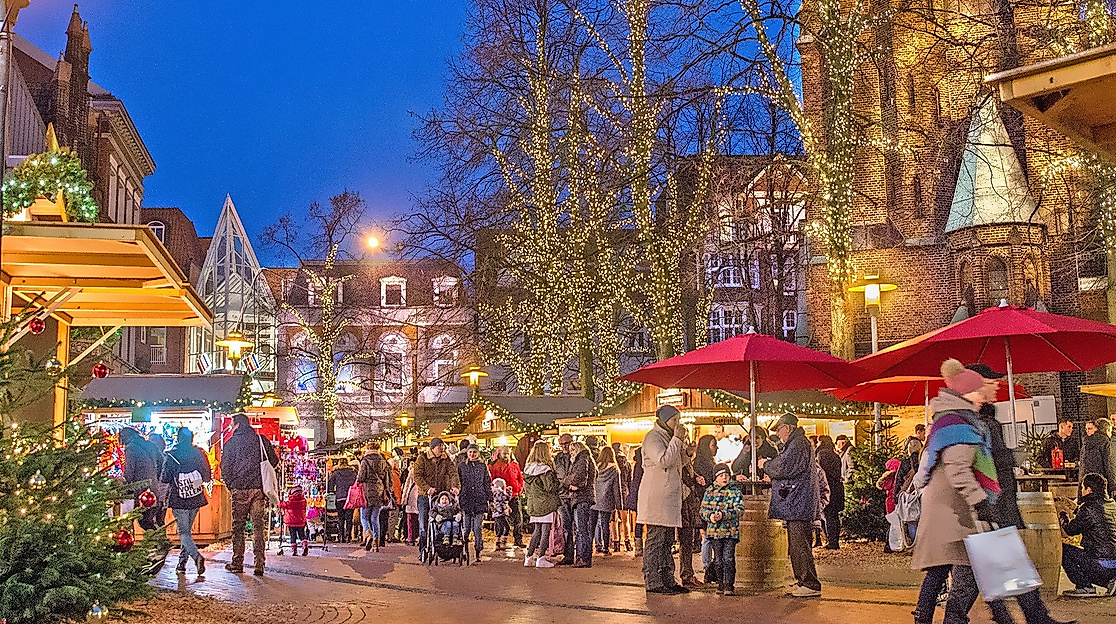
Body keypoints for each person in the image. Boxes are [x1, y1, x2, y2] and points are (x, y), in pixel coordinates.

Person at [966, 363, 1076, 624]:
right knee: (996, 567)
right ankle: (1029, 618)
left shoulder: (988, 420)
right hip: (991, 504)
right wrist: (986, 503)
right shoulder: (977, 424)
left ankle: (1030, 617)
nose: (996, 386)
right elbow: (981, 466)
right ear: (978, 385)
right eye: (991, 382)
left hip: (998, 502)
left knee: (1007, 564)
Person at [910, 359, 1001, 624]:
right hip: (952, 510)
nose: (982, 397)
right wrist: (981, 500)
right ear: (966, 394)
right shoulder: (958, 425)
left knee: (939, 571)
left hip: (947, 508)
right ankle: (951, 620)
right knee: (966, 571)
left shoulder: (951, 421)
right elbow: (958, 469)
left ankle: (926, 620)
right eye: (977, 391)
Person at [759, 413, 821, 598]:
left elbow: (785, 467)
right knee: (797, 544)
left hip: (798, 502)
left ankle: (809, 583)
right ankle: (804, 580)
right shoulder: (798, 443)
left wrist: (766, 465)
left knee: (799, 544)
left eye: (779, 429)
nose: (778, 434)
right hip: (797, 501)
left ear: (788, 428)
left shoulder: (798, 444)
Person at [638, 405, 689, 595]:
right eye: (674, 420)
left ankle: (668, 578)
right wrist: (677, 439)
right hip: (657, 497)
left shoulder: (668, 437)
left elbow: (676, 461)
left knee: (667, 541)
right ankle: (652, 580)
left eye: (679, 420)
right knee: (656, 540)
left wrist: (686, 452)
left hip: (669, 497)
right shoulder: (653, 437)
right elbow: (663, 460)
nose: (677, 424)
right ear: (665, 420)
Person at [220, 413, 279, 576]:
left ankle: (237, 562)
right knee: (257, 526)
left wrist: (232, 485)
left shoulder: (231, 443)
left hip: (239, 489)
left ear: (237, 424)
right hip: (258, 489)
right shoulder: (260, 440)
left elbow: (224, 467)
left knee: (238, 527)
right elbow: (273, 460)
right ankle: (259, 563)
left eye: (232, 424)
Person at [160, 426, 210, 576]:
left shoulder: (172, 455)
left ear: (178, 438)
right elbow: (207, 476)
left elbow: (165, 477)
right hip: (195, 497)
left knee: (183, 532)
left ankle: (196, 557)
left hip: (179, 498)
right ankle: (181, 563)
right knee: (187, 532)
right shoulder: (199, 453)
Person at [1060, 472, 1116, 597]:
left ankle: (1084, 586)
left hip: (1100, 566)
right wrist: (1076, 509)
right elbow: (1097, 519)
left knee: (1063, 550)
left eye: (1083, 488)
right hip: (1113, 564)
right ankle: (1111, 580)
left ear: (1089, 489)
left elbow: (1070, 531)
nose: (1082, 491)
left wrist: (1063, 518)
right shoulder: (1112, 505)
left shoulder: (1088, 508)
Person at [700, 464, 744, 596]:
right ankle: (720, 583)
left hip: (730, 532)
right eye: (721, 475)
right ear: (716, 478)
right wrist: (710, 516)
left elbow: (740, 509)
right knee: (718, 559)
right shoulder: (709, 491)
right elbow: (702, 510)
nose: (724, 477)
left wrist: (724, 515)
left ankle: (729, 585)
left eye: (726, 475)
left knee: (728, 558)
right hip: (714, 532)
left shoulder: (735, 491)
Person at [413, 437, 460, 552]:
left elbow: (453, 473)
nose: (442, 449)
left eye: (443, 447)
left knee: (443, 520)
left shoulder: (446, 459)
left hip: (441, 496)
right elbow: (417, 476)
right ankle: (423, 548)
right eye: (440, 447)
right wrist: (427, 488)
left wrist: (455, 486)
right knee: (424, 523)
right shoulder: (422, 458)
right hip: (425, 496)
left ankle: (441, 546)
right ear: (433, 448)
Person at [522, 440, 561, 568]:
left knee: (536, 531)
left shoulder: (528, 469)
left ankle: (528, 557)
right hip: (546, 503)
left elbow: (526, 489)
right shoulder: (545, 469)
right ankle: (541, 558)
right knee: (545, 531)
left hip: (534, 503)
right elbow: (550, 487)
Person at [120, 427, 162, 531]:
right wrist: (155, 477)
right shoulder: (151, 445)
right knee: (148, 519)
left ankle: (159, 542)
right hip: (154, 488)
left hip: (141, 490)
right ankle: (158, 542)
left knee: (143, 520)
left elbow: (129, 471)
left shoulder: (131, 448)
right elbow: (162, 462)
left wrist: (125, 485)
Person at [563, 440, 597, 567]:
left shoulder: (582, 459)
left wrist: (573, 485)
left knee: (582, 529)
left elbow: (581, 475)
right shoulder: (586, 458)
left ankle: (584, 558)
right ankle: (582, 557)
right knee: (582, 529)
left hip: (582, 497)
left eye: (572, 450)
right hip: (584, 497)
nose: (570, 453)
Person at [457, 443, 493, 563]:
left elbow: (486, 483)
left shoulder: (482, 466)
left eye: (474, 452)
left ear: (478, 453)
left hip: (479, 500)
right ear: (467, 453)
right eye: (470, 452)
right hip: (466, 500)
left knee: (477, 527)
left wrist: (490, 499)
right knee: (466, 528)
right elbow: (458, 482)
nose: (472, 454)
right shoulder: (462, 466)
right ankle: (464, 548)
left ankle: (478, 551)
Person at [356, 441, 391, 552]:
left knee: (364, 517)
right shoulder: (383, 461)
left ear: (368, 448)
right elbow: (387, 478)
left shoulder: (365, 461)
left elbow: (361, 477)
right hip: (379, 492)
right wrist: (386, 490)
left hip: (367, 493)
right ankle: (376, 541)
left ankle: (368, 533)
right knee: (375, 518)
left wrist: (357, 481)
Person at [489, 446, 526, 549]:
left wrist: (519, 488)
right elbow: (492, 479)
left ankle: (518, 539)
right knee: (501, 519)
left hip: (514, 495)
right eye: (504, 453)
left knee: (518, 518)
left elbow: (520, 477)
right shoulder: (495, 466)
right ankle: (499, 539)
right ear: (500, 453)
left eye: (507, 453)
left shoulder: (514, 465)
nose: (506, 455)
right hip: (501, 496)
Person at [679, 440, 704, 587]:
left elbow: (689, 472)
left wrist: (696, 477)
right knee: (684, 539)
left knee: (687, 539)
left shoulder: (687, 462)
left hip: (687, 502)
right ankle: (686, 574)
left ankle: (687, 573)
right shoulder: (678, 457)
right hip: (681, 501)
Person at [592, 445, 624, 556]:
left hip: (594, 499)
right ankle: (606, 548)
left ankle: (593, 546)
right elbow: (617, 489)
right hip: (607, 500)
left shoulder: (597, 468)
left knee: (593, 524)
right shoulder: (614, 470)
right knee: (605, 524)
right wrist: (619, 505)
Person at [692, 435, 717, 576]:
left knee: (709, 536)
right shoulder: (702, 463)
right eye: (713, 445)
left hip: (709, 502)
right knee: (708, 536)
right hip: (706, 503)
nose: (716, 448)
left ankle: (710, 565)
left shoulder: (707, 461)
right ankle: (708, 566)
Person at [814, 435, 843, 550]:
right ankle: (834, 540)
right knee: (834, 516)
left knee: (827, 515)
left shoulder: (822, 454)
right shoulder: (835, 455)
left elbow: (821, 472)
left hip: (828, 488)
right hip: (836, 488)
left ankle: (831, 541)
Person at [554, 433, 576, 565]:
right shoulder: (558, 458)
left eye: (566, 443)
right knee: (566, 526)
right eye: (562, 444)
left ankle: (579, 554)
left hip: (574, 495)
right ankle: (568, 555)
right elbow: (559, 475)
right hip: (563, 495)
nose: (564, 446)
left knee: (578, 527)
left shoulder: (576, 456)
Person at [1082, 418, 1116, 497]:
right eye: (1110, 431)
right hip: (1102, 484)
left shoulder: (1086, 443)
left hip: (1087, 484)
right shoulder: (1105, 442)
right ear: (1107, 430)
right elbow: (1109, 465)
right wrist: (1113, 486)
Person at [328, 458, 358, 543]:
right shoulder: (353, 472)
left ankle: (341, 536)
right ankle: (348, 536)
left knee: (340, 518)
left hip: (340, 497)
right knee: (349, 518)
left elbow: (330, 485)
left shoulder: (336, 473)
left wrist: (333, 492)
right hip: (350, 497)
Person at [613, 442, 634, 552]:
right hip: (625, 492)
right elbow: (630, 480)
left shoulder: (611, 463)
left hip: (613, 493)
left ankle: (616, 543)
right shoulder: (627, 463)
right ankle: (627, 542)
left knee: (614, 520)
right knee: (626, 520)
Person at [280, 485, 309, 556]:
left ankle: (294, 551)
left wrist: (280, 501)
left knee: (293, 536)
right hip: (301, 521)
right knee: (302, 534)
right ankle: (304, 544)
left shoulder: (290, 502)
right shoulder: (303, 501)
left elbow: (282, 504)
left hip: (291, 522)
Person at [627, 446, 644, 557]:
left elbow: (635, 481)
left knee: (639, 521)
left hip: (637, 495)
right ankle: (640, 546)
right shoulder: (644, 464)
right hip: (643, 494)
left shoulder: (637, 464)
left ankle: (638, 546)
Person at [491, 477, 512, 550]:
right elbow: (507, 498)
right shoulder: (500, 492)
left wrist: (508, 507)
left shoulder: (494, 493)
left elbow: (502, 502)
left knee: (500, 528)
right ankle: (502, 543)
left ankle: (498, 543)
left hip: (497, 512)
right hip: (500, 513)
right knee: (505, 527)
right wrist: (509, 491)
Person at [401, 466, 420, 546]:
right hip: (423, 496)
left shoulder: (413, 470)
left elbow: (407, 485)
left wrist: (404, 499)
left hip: (412, 497)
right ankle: (422, 538)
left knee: (411, 520)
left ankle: (410, 538)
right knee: (422, 520)